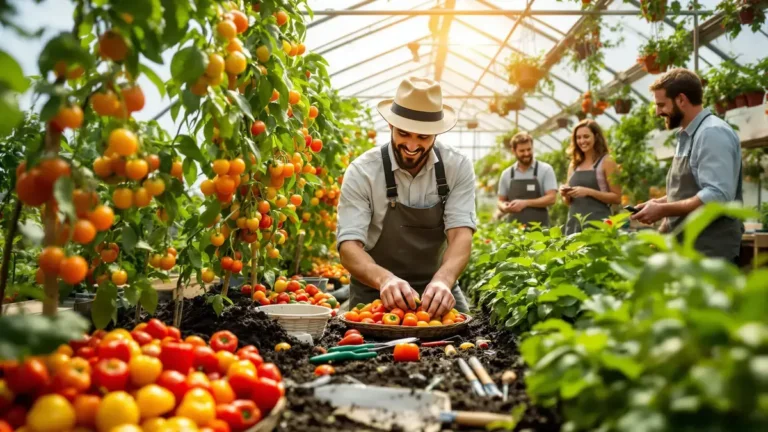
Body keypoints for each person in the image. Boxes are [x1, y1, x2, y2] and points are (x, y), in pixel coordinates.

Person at [336, 77, 476, 318]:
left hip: (437, 290)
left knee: (470, 336)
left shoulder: (457, 167)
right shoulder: (363, 172)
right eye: (404, 134)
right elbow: (349, 246)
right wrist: (384, 279)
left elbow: (460, 234)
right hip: (375, 289)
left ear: (436, 134)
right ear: (391, 126)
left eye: (423, 137)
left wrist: (444, 280)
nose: (412, 146)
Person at [631, 68, 743, 262]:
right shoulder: (689, 134)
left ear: (681, 100)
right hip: (689, 249)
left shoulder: (712, 133)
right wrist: (659, 203)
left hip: (710, 252)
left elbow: (716, 195)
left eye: (661, 104)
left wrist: (663, 211)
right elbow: (691, 189)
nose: (658, 112)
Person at [561, 119, 622, 234]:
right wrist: (565, 194)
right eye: (578, 138)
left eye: (586, 136)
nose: (582, 141)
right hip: (574, 225)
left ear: (596, 136)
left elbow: (617, 198)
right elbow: (569, 202)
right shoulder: (574, 164)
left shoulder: (607, 162)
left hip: (598, 225)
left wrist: (589, 192)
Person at [496, 132, 558, 227]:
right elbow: (500, 201)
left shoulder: (545, 170)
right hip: (514, 231)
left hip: (540, 230)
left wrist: (525, 203)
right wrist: (504, 207)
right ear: (513, 151)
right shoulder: (507, 174)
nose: (526, 153)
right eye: (522, 151)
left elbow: (552, 198)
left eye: (529, 149)